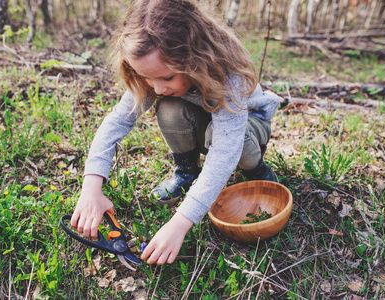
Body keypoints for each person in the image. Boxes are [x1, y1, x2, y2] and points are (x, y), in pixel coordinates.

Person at [71, 0, 280, 266]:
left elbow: (224, 152)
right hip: (207, 121)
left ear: (195, 59)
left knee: (223, 139)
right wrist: (91, 187)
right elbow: (116, 123)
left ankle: (256, 170)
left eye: (167, 78)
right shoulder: (155, 72)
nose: (156, 89)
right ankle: (186, 172)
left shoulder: (228, 76)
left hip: (249, 123)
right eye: (147, 77)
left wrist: (180, 223)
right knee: (169, 108)